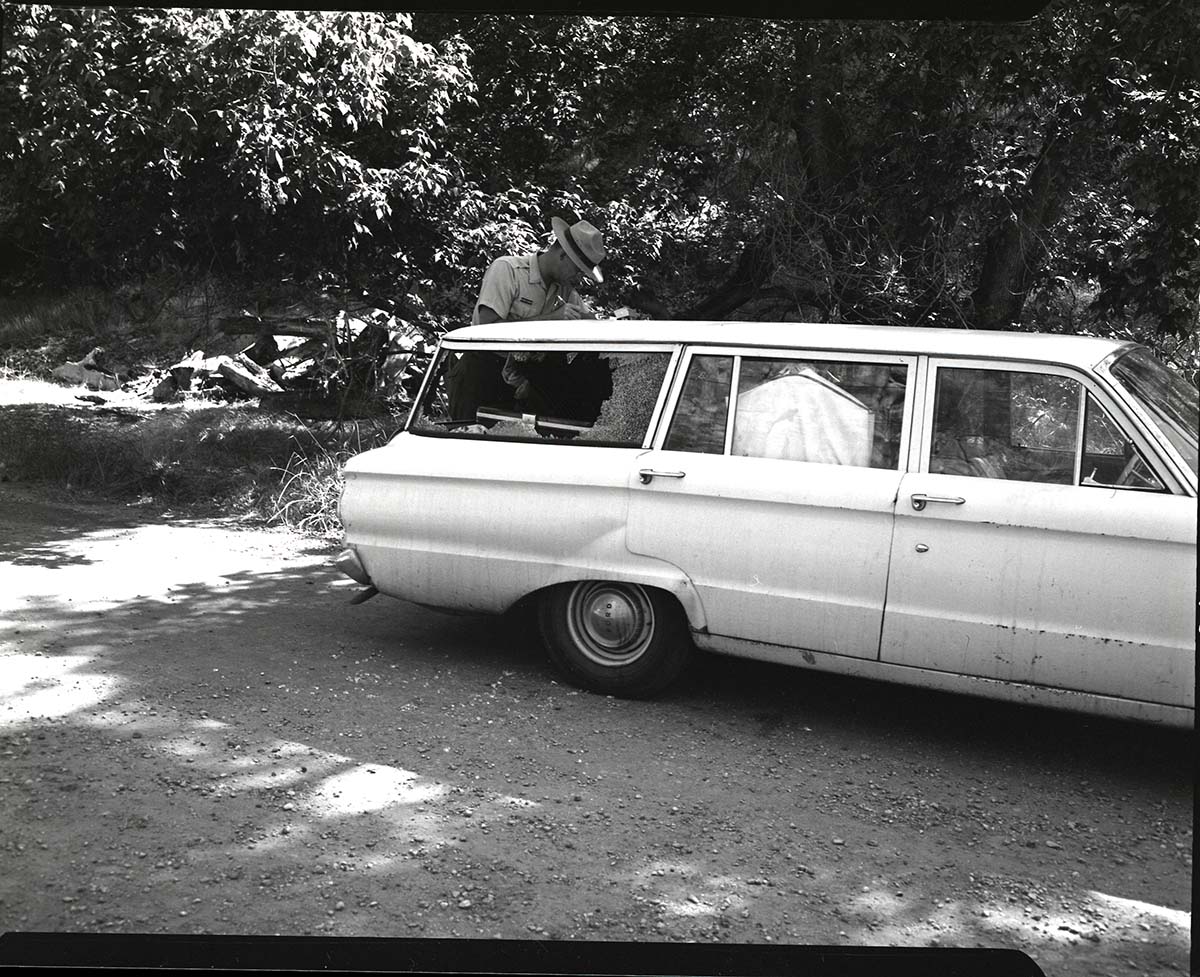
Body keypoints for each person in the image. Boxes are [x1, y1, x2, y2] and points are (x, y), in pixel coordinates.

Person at [448, 217, 607, 423]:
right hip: (482, 374)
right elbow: (486, 331)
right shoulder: (508, 270)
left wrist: (590, 322)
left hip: (523, 381)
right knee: (469, 439)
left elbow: (591, 324)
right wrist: (551, 320)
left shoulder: (565, 290)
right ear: (562, 255)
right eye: (577, 270)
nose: (577, 278)